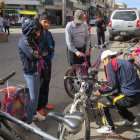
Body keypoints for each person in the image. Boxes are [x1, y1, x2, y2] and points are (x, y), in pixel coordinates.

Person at [96, 50, 140, 134]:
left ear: (107, 58)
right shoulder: (124, 62)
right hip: (137, 95)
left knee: (101, 102)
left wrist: (101, 90)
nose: (104, 64)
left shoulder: (110, 64)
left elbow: (112, 86)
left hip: (130, 97)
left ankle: (109, 127)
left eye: (103, 61)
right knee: (115, 97)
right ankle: (131, 119)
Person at [18, 20, 47, 129]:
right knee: (34, 98)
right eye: (37, 32)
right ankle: (29, 122)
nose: (39, 34)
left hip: (37, 69)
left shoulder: (32, 39)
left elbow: (43, 51)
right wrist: (39, 53)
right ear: (31, 30)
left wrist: (38, 53)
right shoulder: (24, 40)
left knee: (36, 94)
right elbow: (33, 55)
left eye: (40, 32)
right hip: (30, 72)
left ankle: (34, 114)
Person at [37, 12, 55, 116]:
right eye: (45, 22)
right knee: (40, 84)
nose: (47, 24)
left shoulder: (49, 33)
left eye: (48, 23)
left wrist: (51, 56)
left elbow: (52, 45)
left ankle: (44, 103)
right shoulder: (36, 32)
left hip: (48, 61)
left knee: (46, 82)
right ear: (40, 21)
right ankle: (38, 106)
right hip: (39, 62)